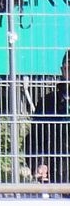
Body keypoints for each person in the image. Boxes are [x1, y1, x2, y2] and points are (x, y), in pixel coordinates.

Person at [25, 50, 70, 183]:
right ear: (62, 71)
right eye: (68, 68)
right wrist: (39, 164)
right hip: (57, 174)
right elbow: (34, 138)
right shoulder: (47, 102)